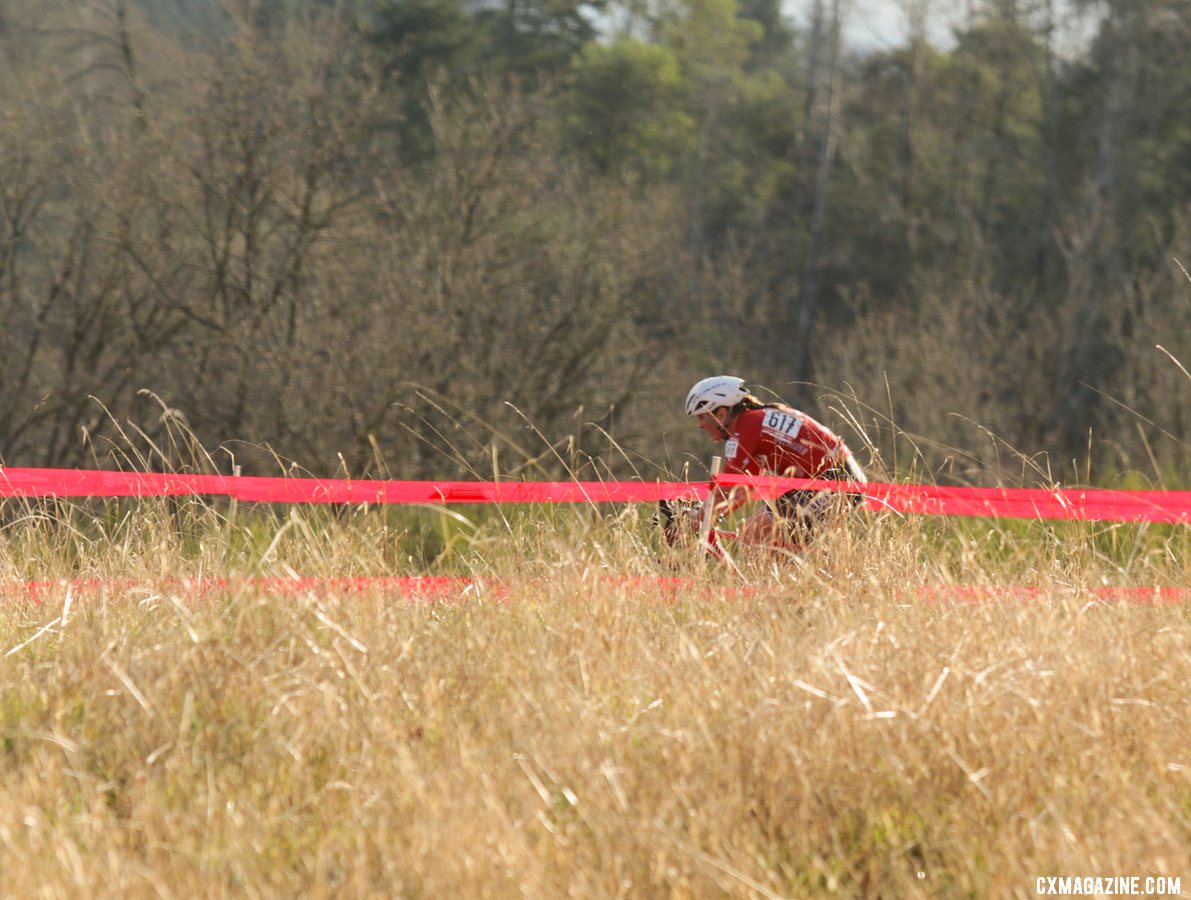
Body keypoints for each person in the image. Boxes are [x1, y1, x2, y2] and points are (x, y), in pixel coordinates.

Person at [663, 375, 867, 552]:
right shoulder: (755, 422)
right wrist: (704, 516)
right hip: (838, 480)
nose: (700, 426)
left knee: (754, 535)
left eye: (701, 418)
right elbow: (742, 491)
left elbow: (725, 491)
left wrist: (691, 524)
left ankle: (768, 595)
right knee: (771, 544)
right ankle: (791, 591)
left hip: (833, 480)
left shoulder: (747, 426)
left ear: (721, 414)